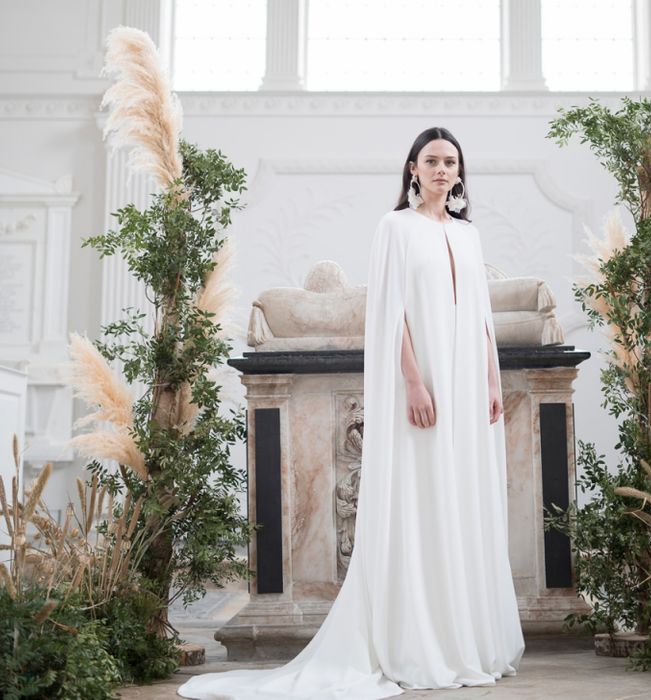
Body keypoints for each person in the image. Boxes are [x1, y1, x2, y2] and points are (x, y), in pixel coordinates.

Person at [177, 126, 525, 700]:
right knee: (423, 496)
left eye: (451, 163)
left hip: (467, 385)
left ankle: (465, 635)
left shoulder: (468, 235)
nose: (442, 170)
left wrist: (489, 379)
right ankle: (418, 638)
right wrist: (412, 381)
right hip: (427, 382)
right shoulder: (396, 228)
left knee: (462, 497)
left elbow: (482, 318)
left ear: (460, 173)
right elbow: (390, 313)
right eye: (432, 161)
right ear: (412, 168)